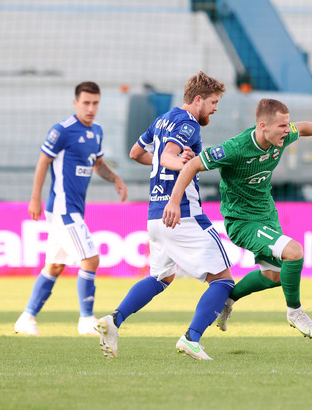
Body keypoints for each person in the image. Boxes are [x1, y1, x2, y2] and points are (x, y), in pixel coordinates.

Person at [163, 98, 312, 338]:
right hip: (242, 221)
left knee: (275, 275)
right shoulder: (235, 148)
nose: (287, 131)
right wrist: (174, 201)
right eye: (282, 126)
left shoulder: (283, 136)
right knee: (295, 252)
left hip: (267, 214)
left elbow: (304, 127)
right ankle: (295, 311)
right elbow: (193, 164)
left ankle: (228, 299)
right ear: (263, 125)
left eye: (288, 125)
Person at [95, 72, 233, 361]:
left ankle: (114, 321)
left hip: (155, 215)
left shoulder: (163, 119)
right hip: (181, 212)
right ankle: (192, 338)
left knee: (162, 276)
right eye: (213, 102)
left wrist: (164, 161)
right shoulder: (188, 123)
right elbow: (170, 154)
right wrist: (179, 163)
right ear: (198, 100)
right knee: (223, 280)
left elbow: (136, 152)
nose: (215, 108)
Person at [14, 81, 128, 336]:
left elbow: (98, 164)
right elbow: (43, 161)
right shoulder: (62, 130)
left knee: (54, 266)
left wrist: (116, 179)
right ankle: (86, 319)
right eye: (86, 103)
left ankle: (26, 318)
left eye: (95, 103)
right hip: (63, 208)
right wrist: (35, 198)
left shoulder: (97, 131)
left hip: (74, 209)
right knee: (91, 259)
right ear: (75, 103)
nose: (91, 108)